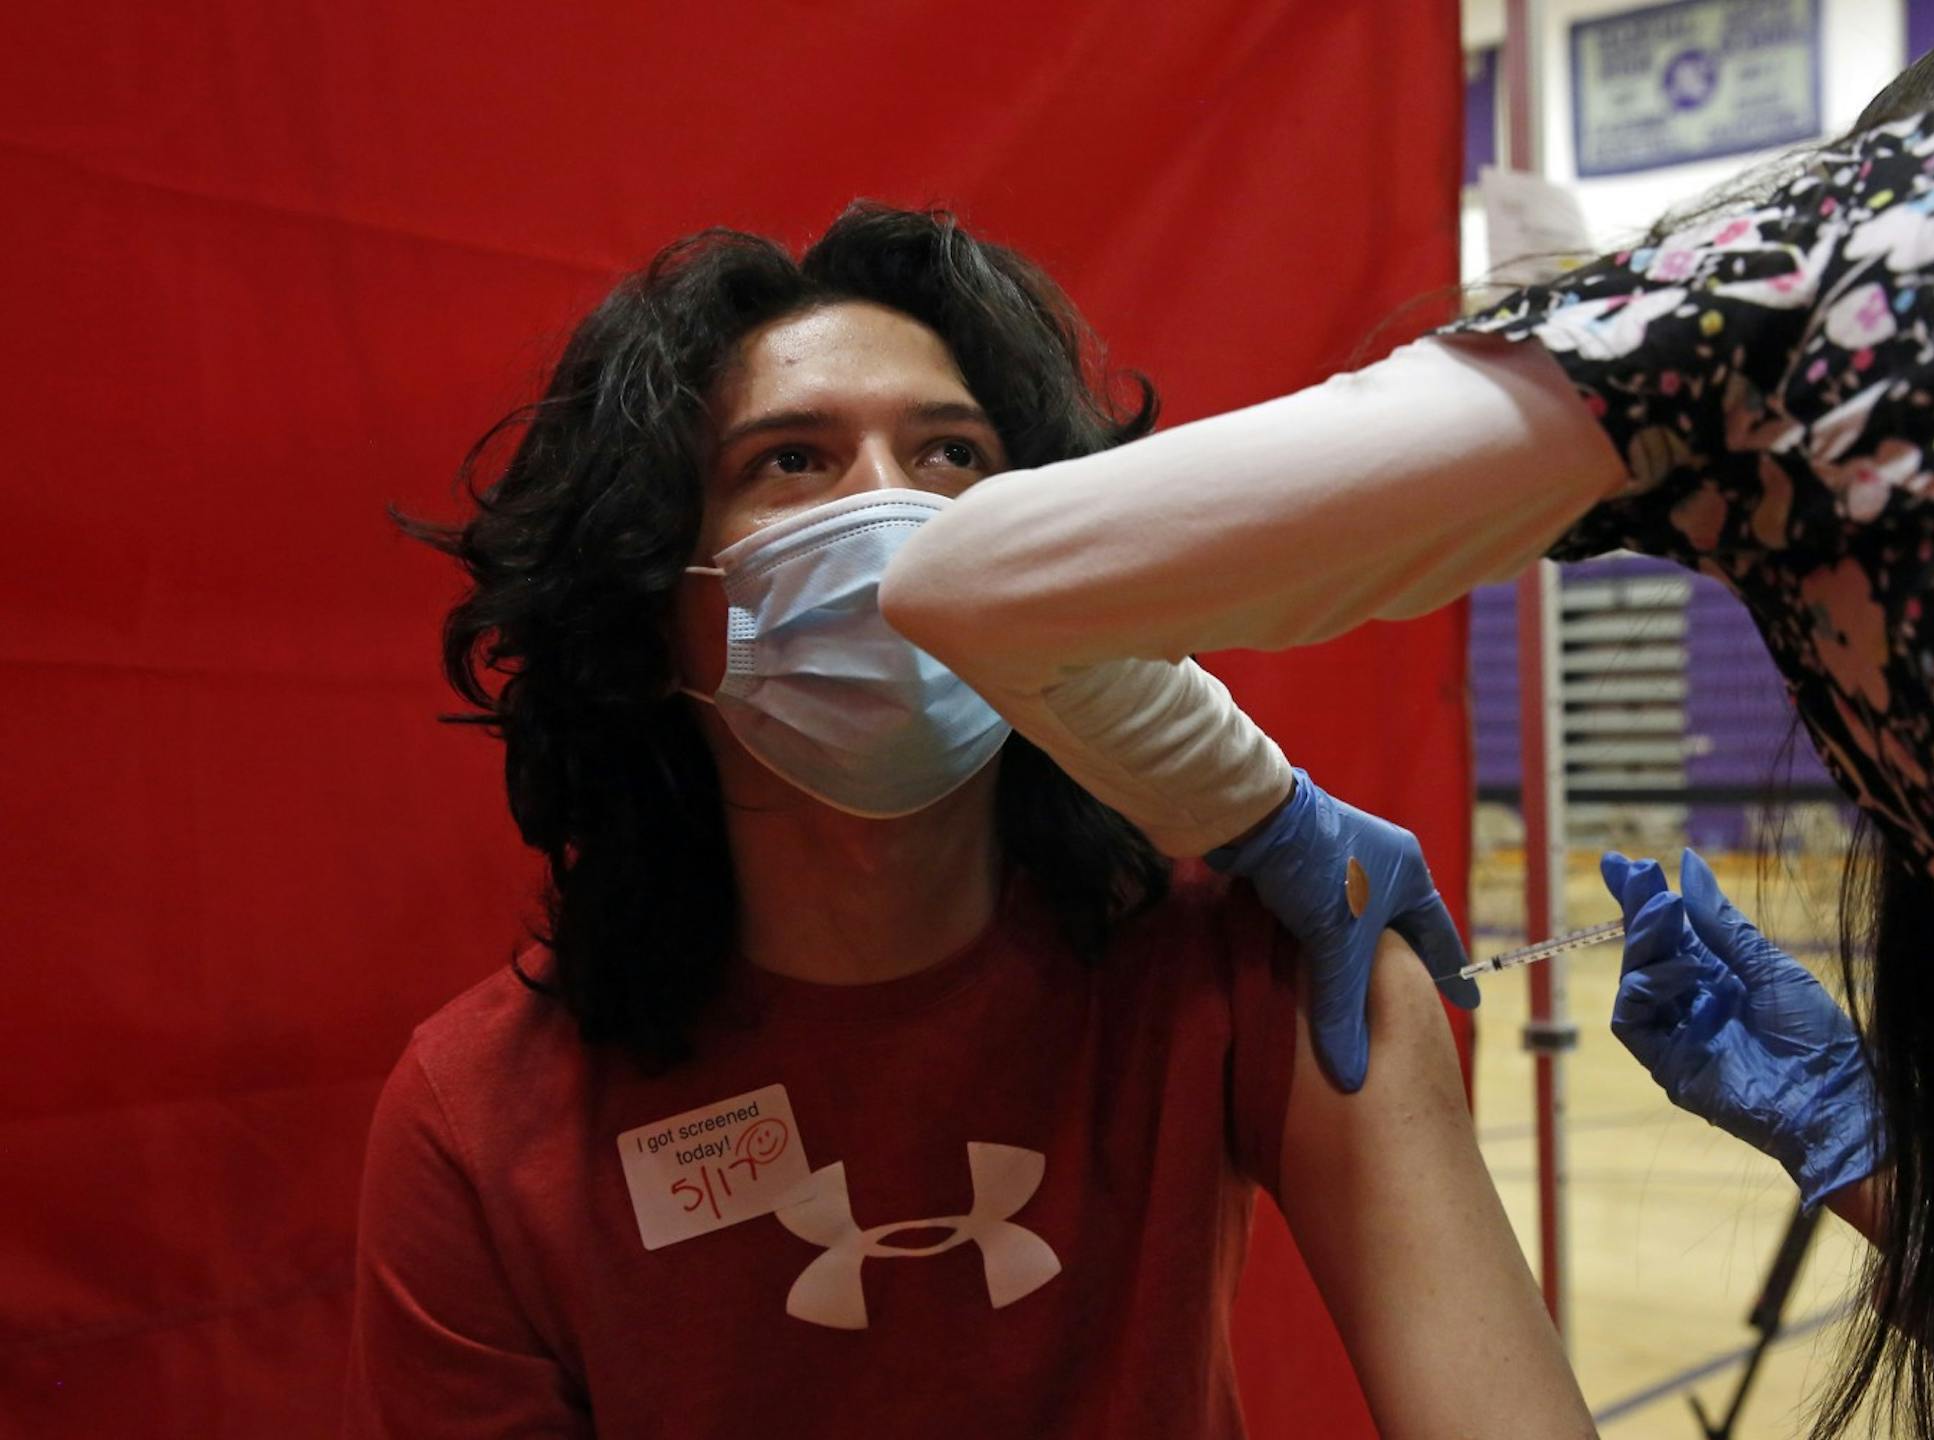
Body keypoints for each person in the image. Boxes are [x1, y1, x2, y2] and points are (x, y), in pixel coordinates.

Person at [878, 4, 1934, 1435]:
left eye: (942, 452)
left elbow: (964, 577)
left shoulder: (1875, 250)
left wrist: (1271, 817)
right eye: (791, 460)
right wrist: (1874, 1165)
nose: (871, 516)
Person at [345, 205, 1595, 1439]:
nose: (898, 525)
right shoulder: (484, 1127)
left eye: (953, 456)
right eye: (791, 461)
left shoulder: (1278, 977)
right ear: (658, 601)